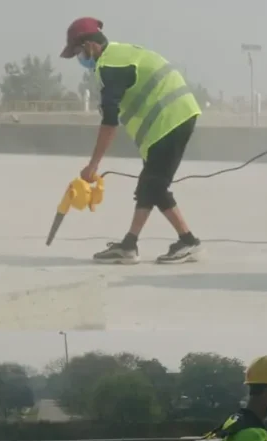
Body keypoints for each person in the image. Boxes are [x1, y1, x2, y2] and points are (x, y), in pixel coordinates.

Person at [60, 17, 203, 266]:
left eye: (77, 51)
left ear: (90, 45)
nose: (78, 58)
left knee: (154, 184)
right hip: (170, 120)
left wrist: (92, 166)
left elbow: (110, 122)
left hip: (171, 119)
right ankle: (131, 244)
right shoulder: (118, 54)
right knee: (149, 186)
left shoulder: (110, 67)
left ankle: (187, 242)